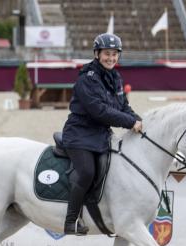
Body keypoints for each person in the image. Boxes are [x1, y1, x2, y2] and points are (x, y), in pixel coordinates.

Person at [60, 33, 141, 235]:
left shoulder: (116, 78)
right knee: (87, 171)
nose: (111, 58)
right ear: (97, 54)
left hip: (100, 136)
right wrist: (130, 122)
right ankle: (71, 221)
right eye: (107, 54)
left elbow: (123, 106)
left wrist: (140, 121)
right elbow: (100, 112)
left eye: (114, 54)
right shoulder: (87, 79)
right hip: (79, 134)